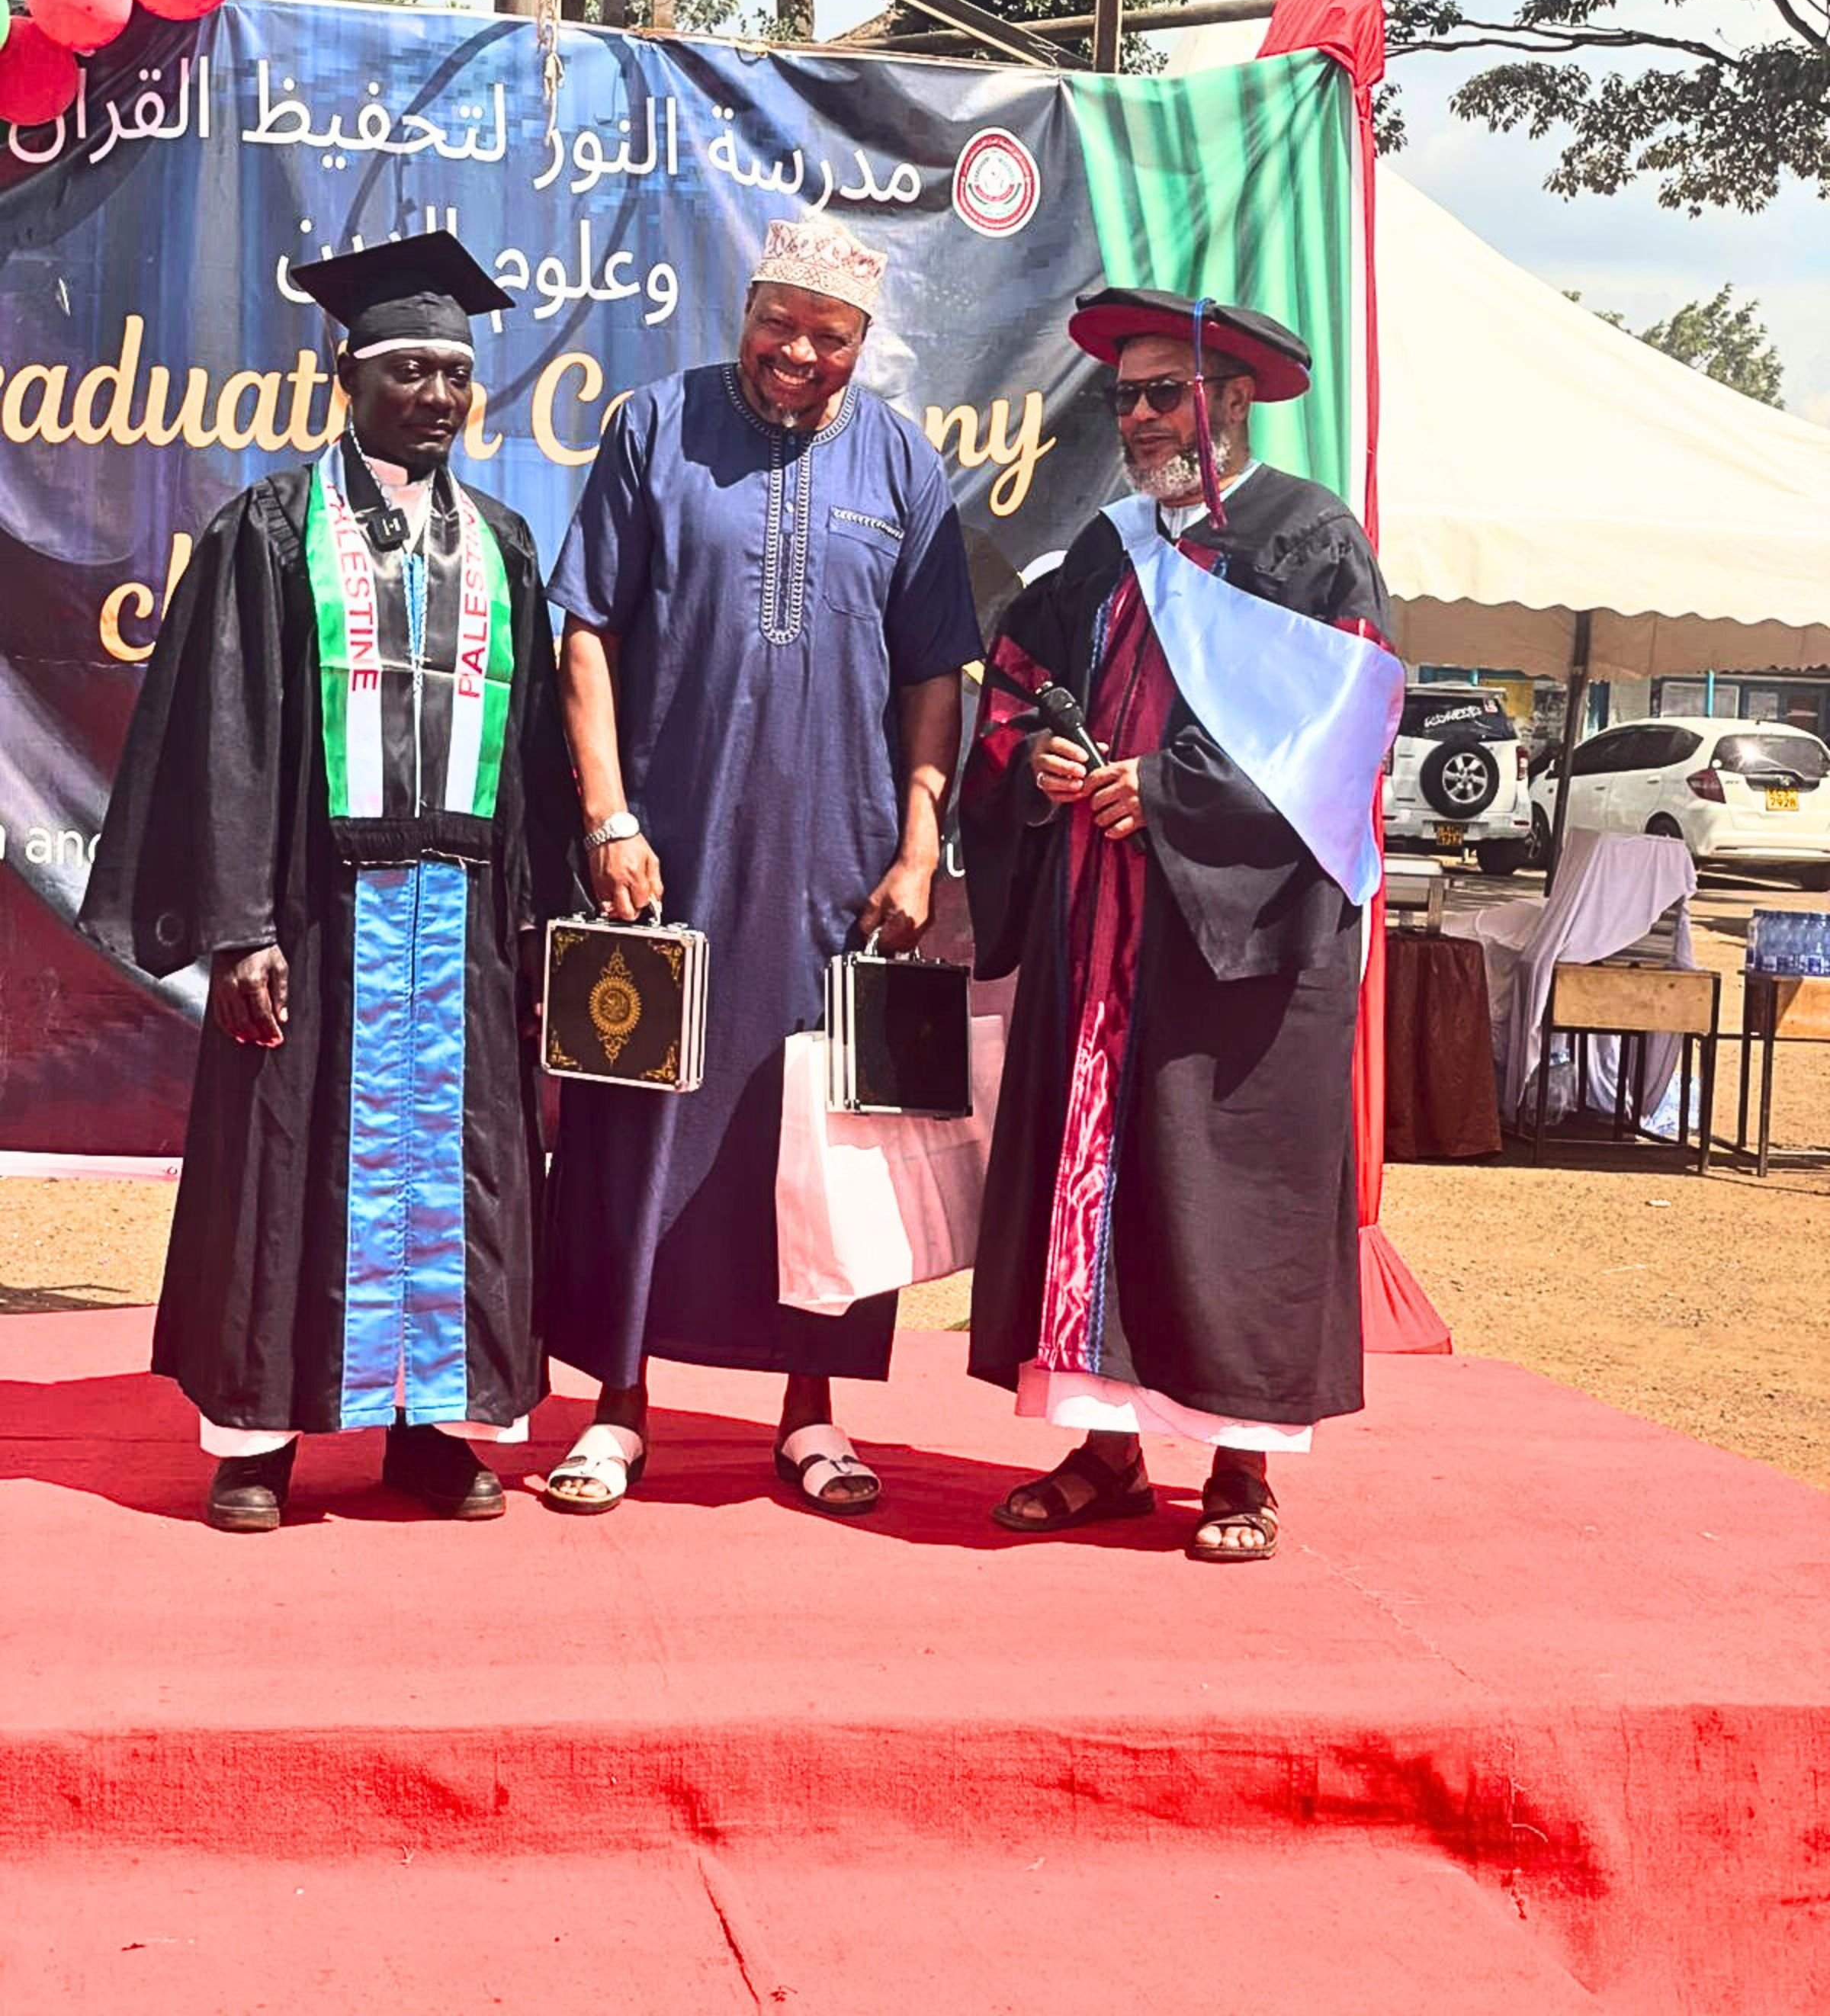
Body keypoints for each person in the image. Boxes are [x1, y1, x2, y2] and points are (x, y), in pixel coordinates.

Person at [80, 234, 580, 1533]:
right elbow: (229, 736)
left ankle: (428, 1428)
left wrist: (545, 917)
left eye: (455, 374)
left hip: (461, 920)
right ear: (344, 371)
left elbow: (532, 760)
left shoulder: (504, 545)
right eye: (407, 369)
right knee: (288, 1159)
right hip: (315, 908)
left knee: (461, 1164)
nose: (435, 396)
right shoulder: (270, 532)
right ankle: (257, 1440)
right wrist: (243, 923)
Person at [540, 214, 981, 1518]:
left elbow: (933, 674)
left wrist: (920, 846)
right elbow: (587, 635)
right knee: (639, 1122)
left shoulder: (902, 464)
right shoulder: (654, 428)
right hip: (666, 857)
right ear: (747, 309)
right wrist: (611, 820)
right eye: (777, 323)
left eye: (829, 337)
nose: (798, 353)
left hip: (835, 863)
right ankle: (619, 1409)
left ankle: (812, 1415)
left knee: (827, 1141)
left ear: (861, 342)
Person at [960, 287, 1401, 1563]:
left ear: (1232, 402)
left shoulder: (1309, 544)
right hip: (1101, 928)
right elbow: (1021, 683)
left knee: (1230, 1188)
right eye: (1127, 398)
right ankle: (1104, 1450)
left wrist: (1163, 789)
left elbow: (1342, 738)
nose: (1141, 419)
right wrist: (1044, 758)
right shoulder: (1106, 549)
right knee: (1098, 1179)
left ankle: (1242, 1468)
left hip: (1241, 938)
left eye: (1164, 394)